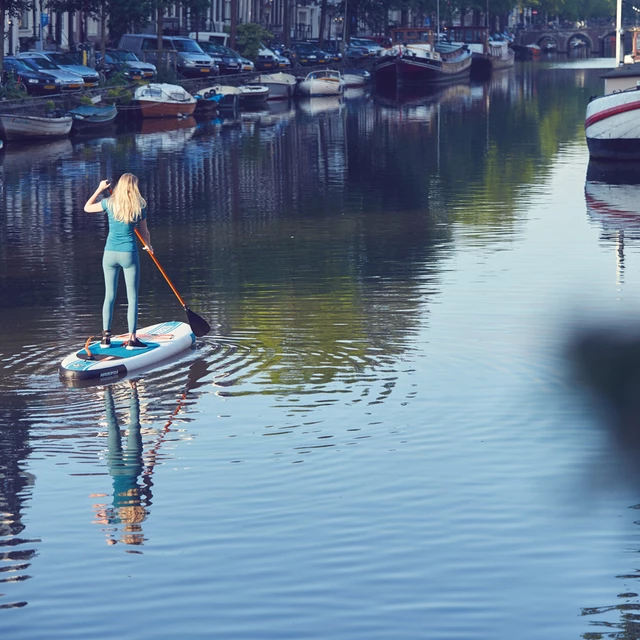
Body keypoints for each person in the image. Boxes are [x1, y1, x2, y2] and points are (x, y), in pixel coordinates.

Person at [84, 174, 153, 349]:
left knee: (110, 295)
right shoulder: (140, 205)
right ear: (134, 187)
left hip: (109, 254)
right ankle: (132, 339)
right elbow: (144, 233)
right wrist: (149, 246)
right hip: (128, 253)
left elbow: (87, 208)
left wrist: (99, 189)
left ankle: (106, 338)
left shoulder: (109, 203)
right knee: (132, 297)